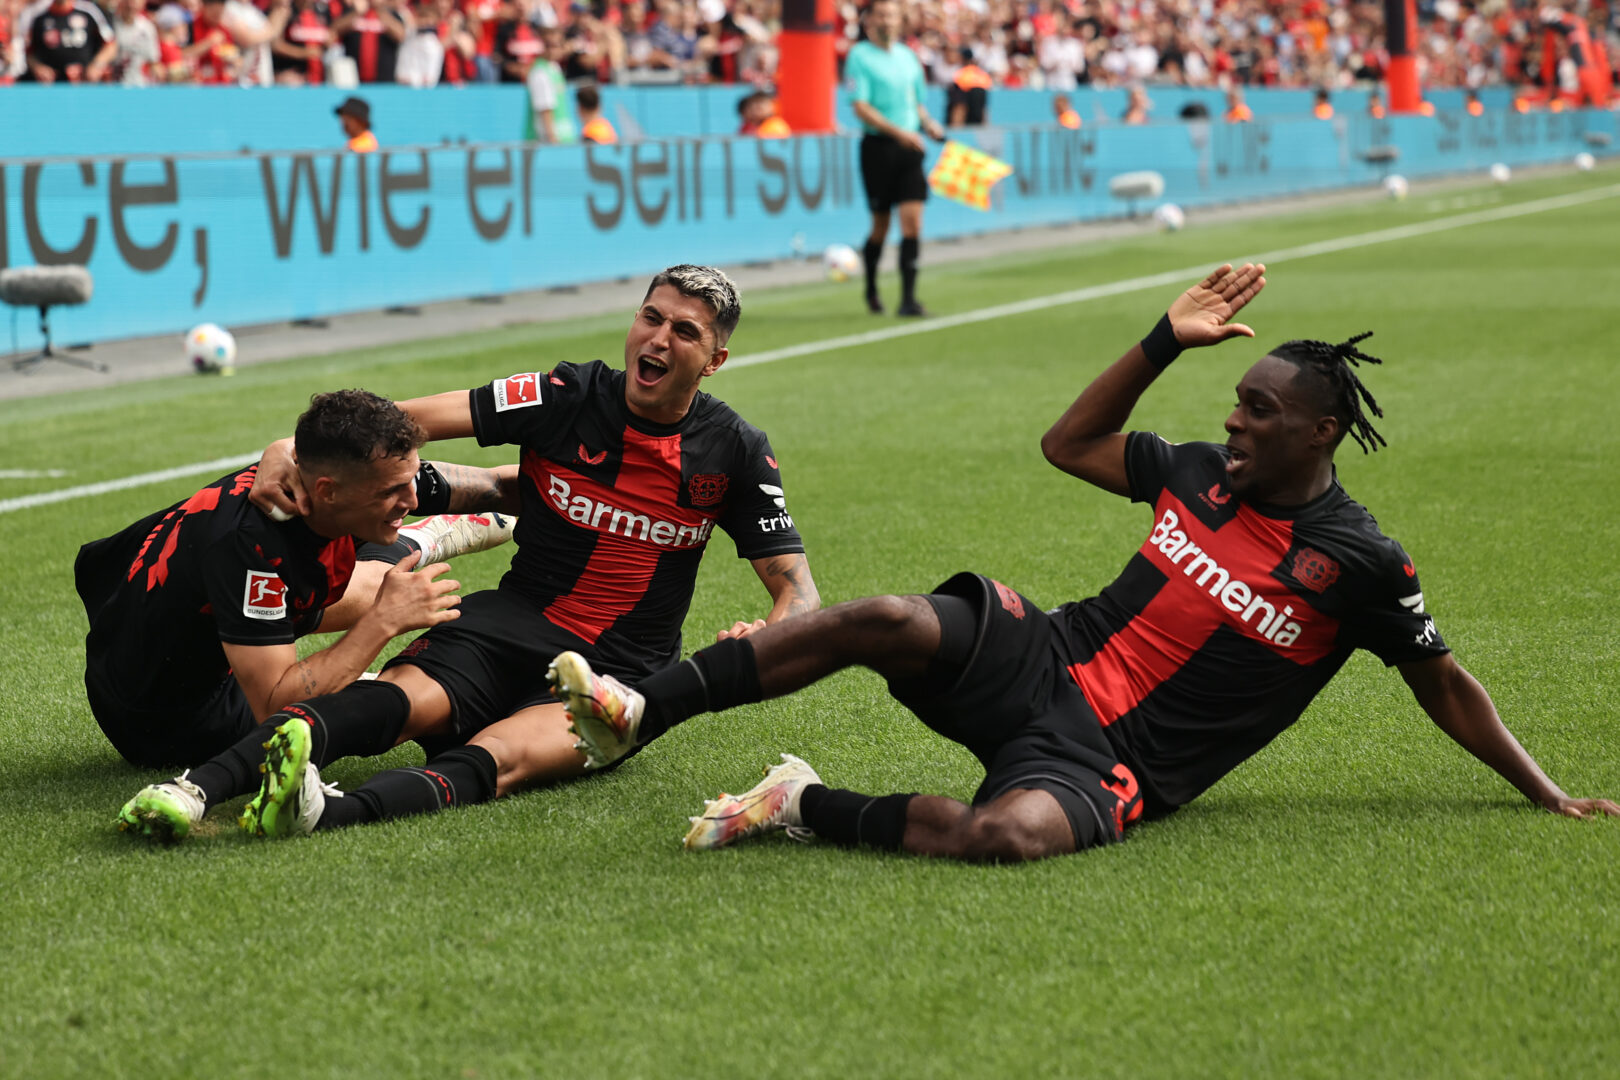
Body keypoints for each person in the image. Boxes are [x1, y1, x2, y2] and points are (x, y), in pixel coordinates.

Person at [553, 262, 1619, 863]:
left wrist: (1546, 791)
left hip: (1119, 759)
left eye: (1259, 411)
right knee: (884, 618)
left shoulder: (1362, 563)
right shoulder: (1197, 472)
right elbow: (1068, 445)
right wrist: (1162, 340)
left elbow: (1444, 684)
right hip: (1045, 657)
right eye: (1237, 402)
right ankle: (640, 709)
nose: (1233, 422)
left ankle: (796, 803)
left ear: (1321, 432)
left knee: (1005, 839)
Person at [118, 266, 819, 844]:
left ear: (714, 360)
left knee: (502, 758)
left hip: (620, 673)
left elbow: (799, 592)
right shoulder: (563, 395)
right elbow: (392, 423)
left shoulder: (735, 451)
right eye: (651, 317)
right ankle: (192, 790)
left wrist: (767, 631)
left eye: (684, 331)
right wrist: (290, 449)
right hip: (505, 625)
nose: (659, 338)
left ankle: (328, 812)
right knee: (391, 702)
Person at [88, 389, 516, 786]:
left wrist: (556, 499)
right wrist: (383, 622)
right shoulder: (254, 553)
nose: (413, 498)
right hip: (167, 721)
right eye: (393, 490)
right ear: (327, 491)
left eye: (412, 479)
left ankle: (417, 541)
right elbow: (275, 707)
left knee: (362, 577)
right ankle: (420, 544)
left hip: (156, 629)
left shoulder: (308, 472)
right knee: (385, 625)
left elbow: (498, 486)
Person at [846, 0, 945, 318]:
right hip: (879, 148)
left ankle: (908, 299)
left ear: (900, 21)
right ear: (869, 21)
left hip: (910, 147)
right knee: (881, 224)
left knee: (912, 222)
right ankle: (872, 287)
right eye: (881, 15)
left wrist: (929, 124)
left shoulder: (908, 57)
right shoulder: (859, 56)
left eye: (892, 15)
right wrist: (899, 132)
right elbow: (861, 106)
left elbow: (916, 103)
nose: (887, 20)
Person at [24, 0, 115, 82]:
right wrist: (38, 67)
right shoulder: (38, 14)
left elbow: (110, 44)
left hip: (84, 82)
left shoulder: (89, 10)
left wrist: (96, 65)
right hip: (51, 84)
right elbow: (27, 51)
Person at [946, 46, 990, 127]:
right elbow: (984, 109)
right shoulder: (982, 74)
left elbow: (959, 106)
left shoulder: (961, 74)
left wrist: (955, 127)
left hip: (965, 122)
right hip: (978, 122)